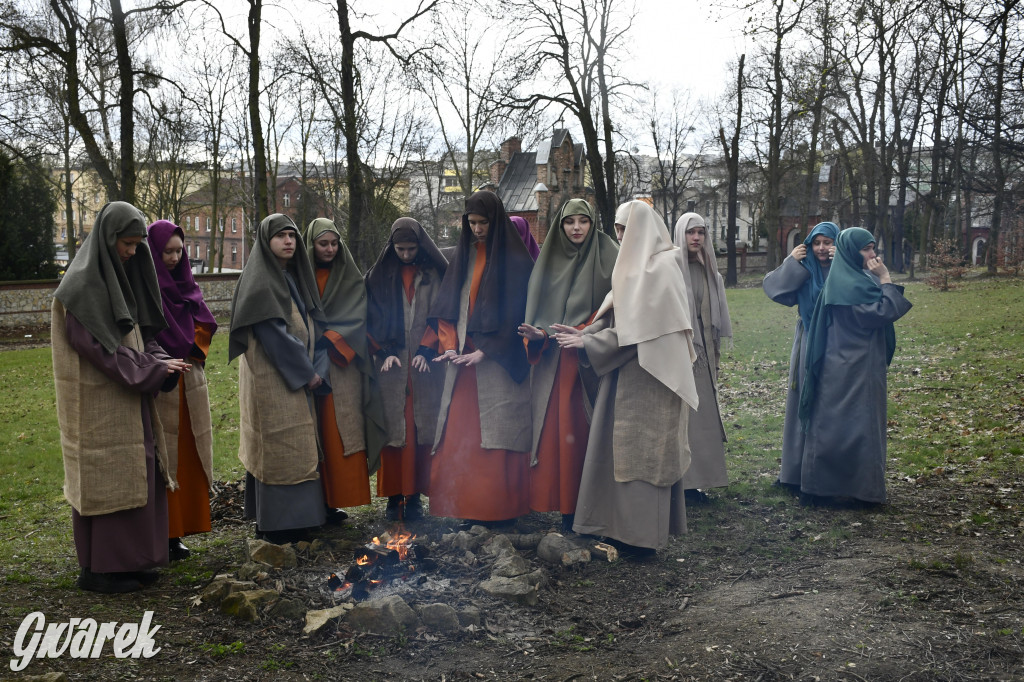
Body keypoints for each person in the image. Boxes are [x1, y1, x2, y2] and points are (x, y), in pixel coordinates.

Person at [52, 201, 190, 593]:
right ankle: (99, 569)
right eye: (126, 244)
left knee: (138, 471)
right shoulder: (81, 288)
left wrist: (163, 360)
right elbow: (97, 347)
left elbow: (141, 335)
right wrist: (150, 370)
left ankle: (132, 560)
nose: (131, 252)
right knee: (106, 478)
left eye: (136, 245)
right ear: (107, 238)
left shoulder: (122, 279)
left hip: (128, 400)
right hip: (98, 404)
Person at [561, 200, 698, 556]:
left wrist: (590, 341)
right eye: (617, 230)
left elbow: (644, 331)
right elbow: (617, 317)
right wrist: (585, 332)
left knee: (646, 456)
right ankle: (620, 529)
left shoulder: (663, 267)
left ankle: (643, 538)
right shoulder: (634, 265)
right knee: (620, 453)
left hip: (654, 379)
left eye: (625, 230)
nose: (619, 237)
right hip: (625, 373)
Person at [427, 191, 534, 525]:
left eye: (483, 222)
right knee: (462, 432)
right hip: (463, 361)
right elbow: (447, 307)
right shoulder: (465, 256)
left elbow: (521, 312)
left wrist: (486, 351)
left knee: (500, 432)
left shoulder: (517, 261)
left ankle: (500, 509)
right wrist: (448, 345)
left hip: (498, 361)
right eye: (471, 223)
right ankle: (464, 506)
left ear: (496, 221)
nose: (477, 229)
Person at [518, 198, 617, 532]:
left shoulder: (609, 256)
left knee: (587, 432)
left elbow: (617, 309)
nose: (576, 228)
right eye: (569, 222)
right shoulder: (548, 261)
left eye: (583, 221)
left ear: (593, 225)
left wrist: (585, 332)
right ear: (560, 226)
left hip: (592, 363)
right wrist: (540, 332)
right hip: (553, 365)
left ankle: (592, 507)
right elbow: (541, 312)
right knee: (558, 436)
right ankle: (563, 507)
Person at [229, 213, 327, 544]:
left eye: (292, 235)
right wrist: (308, 373)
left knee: (297, 445)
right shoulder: (260, 280)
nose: (288, 241)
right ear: (265, 241)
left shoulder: (288, 276)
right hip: (274, 378)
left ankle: (300, 521)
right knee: (277, 446)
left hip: (292, 375)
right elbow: (274, 334)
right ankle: (279, 524)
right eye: (280, 236)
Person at [797, 227, 912, 507]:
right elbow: (880, 313)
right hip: (850, 369)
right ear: (850, 251)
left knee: (847, 427)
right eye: (866, 249)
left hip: (853, 365)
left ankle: (833, 488)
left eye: (873, 248)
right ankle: (842, 490)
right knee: (849, 428)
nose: (873, 255)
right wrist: (885, 279)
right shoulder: (848, 285)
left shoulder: (851, 279)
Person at [303, 218, 386, 522]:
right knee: (313, 433)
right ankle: (313, 503)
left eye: (334, 243)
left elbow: (357, 315)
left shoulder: (350, 277)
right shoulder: (300, 275)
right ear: (311, 244)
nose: (329, 249)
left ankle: (337, 499)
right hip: (305, 363)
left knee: (340, 432)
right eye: (322, 243)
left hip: (341, 364)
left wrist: (330, 337)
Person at [365, 218, 447, 521]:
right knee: (392, 428)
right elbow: (369, 316)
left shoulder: (433, 275)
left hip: (424, 367)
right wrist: (382, 350)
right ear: (392, 246)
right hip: (391, 366)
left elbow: (441, 313)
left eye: (412, 248)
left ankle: (413, 496)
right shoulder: (378, 276)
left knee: (417, 428)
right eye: (400, 249)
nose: (406, 254)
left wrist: (428, 348)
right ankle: (392, 496)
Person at [147, 220, 218, 562]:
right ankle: (165, 532)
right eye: (167, 252)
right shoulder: (145, 288)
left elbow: (205, 322)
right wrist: (165, 357)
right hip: (162, 382)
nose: (174, 258)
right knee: (166, 456)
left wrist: (192, 346)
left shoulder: (187, 285)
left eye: (179, 251)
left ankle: (185, 528)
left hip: (190, 378)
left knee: (189, 454)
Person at [762, 221, 839, 493]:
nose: (821, 248)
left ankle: (822, 472)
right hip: (807, 340)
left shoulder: (844, 269)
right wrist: (791, 262)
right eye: (816, 243)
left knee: (827, 406)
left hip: (835, 344)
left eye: (827, 242)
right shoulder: (806, 270)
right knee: (801, 404)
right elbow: (774, 290)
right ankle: (793, 474)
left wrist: (843, 261)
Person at [672, 213, 732, 503]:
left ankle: (700, 481)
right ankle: (682, 483)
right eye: (690, 232)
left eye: (701, 232)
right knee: (683, 419)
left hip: (704, 354)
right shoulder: (670, 269)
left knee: (703, 417)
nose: (696, 238)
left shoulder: (710, 272)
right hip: (678, 354)